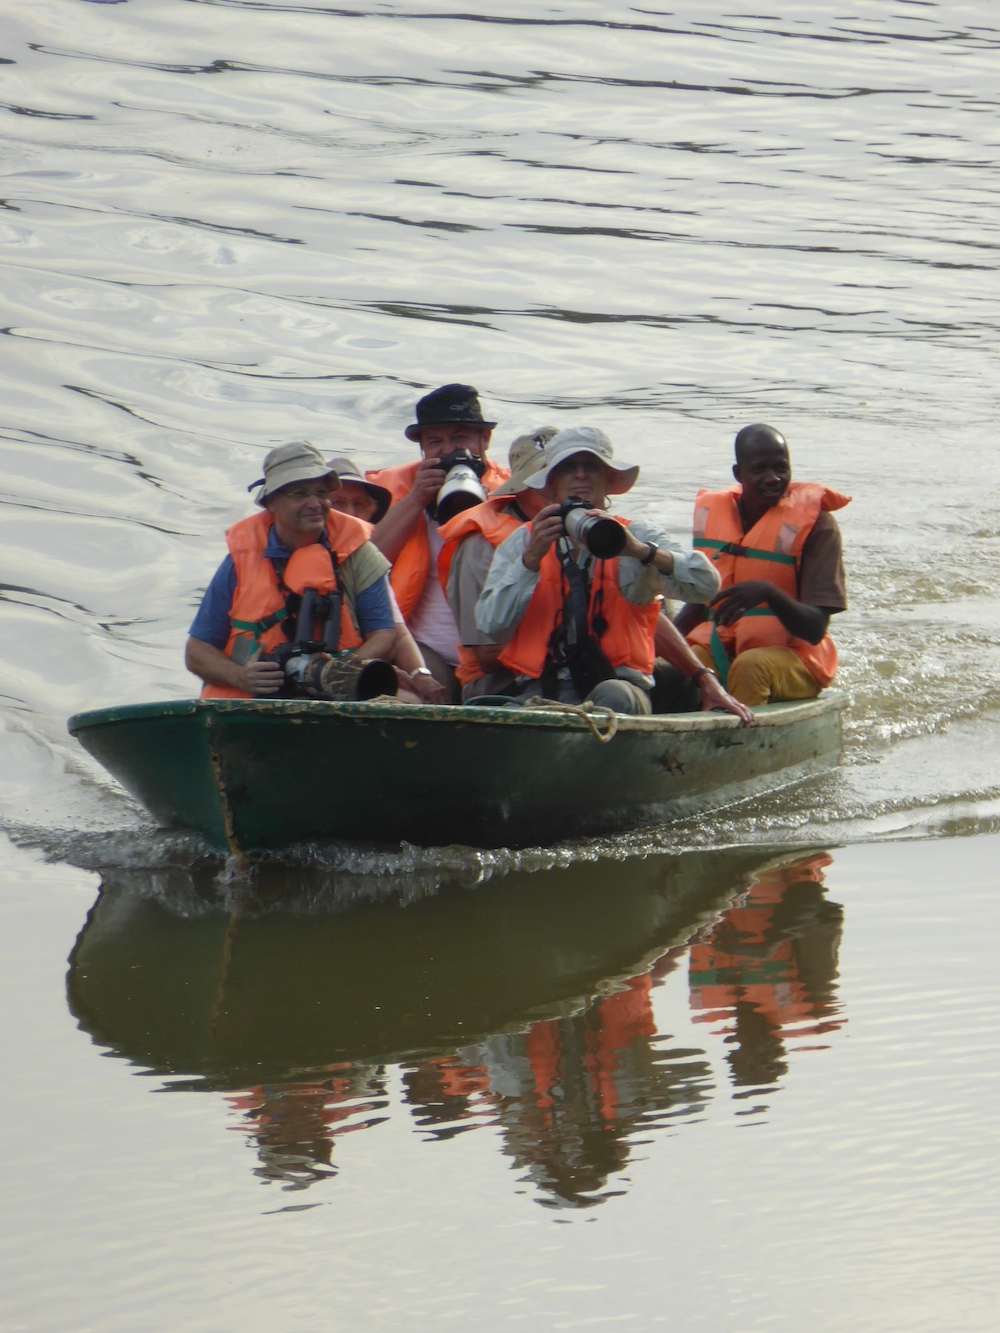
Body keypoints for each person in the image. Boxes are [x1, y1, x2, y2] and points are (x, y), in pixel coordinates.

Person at [475, 426, 721, 715]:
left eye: (591, 465)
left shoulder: (636, 533)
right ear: (552, 483)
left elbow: (707, 585)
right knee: (510, 709)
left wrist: (641, 551)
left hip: (620, 688)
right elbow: (490, 625)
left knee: (612, 695)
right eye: (568, 467)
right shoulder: (525, 541)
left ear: (609, 478)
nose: (580, 474)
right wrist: (529, 561)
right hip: (541, 691)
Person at [185, 441, 397, 698]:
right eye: (299, 493)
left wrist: (340, 672)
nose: (314, 503)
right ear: (271, 502)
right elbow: (196, 650)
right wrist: (239, 676)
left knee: (406, 701)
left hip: (334, 699)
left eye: (321, 493)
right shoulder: (241, 557)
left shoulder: (358, 552)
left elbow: (384, 633)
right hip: (252, 702)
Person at [674, 423, 849, 707]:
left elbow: (815, 628)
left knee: (750, 666)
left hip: (795, 657)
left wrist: (768, 593)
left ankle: (741, 746)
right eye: (759, 470)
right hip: (726, 647)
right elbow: (700, 604)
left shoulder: (817, 526)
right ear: (738, 474)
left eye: (781, 468)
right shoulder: (716, 518)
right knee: (684, 662)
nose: (773, 478)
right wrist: (658, 647)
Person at [366, 384, 510, 698]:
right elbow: (365, 566)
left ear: (483, 441)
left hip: (495, 654)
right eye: (435, 441)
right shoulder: (394, 493)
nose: (448, 451)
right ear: (422, 449)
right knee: (414, 693)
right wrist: (416, 500)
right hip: (423, 649)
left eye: (459, 439)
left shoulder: (512, 493)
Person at [436, 426, 558, 700]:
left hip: (572, 669)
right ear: (523, 487)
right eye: (547, 476)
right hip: (498, 683)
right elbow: (487, 656)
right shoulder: (480, 546)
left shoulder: (587, 530)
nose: (558, 483)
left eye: (564, 472)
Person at [326, 455, 447, 704]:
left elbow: (396, 631)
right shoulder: (298, 552)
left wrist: (421, 675)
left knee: (414, 702)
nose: (350, 514)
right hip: (306, 675)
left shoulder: (364, 558)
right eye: (338, 503)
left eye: (359, 504)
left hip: (353, 668)